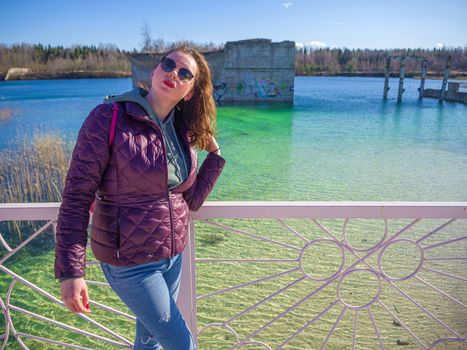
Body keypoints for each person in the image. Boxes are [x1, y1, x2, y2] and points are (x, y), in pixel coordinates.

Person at [54, 45, 225, 350]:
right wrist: (71, 271)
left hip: (173, 255)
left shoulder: (182, 132)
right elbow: (77, 197)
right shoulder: (108, 118)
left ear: (189, 92)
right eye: (168, 65)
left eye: (185, 73)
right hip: (130, 262)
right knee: (183, 344)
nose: (174, 73)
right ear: (154, 71)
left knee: (149, 343)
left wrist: (214, 156)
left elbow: (189, 200)